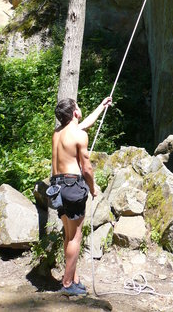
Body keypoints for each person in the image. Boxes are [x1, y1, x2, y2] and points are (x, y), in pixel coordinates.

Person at [50, 95, 112, 296]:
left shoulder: (58, 133)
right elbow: (86, 168)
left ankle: (73, 279)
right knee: (76, 237)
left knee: (68, 235)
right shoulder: (78, 135)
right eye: (78, 107)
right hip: (72, 186)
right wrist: (92, 188)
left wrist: (101, 107)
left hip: (57, 187)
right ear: (75, 112)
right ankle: (67, 284)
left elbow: (82, 124)